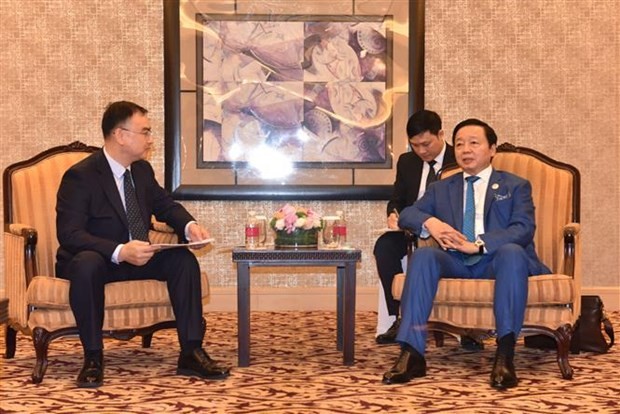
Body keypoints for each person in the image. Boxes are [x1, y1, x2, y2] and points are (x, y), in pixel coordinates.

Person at [56, 101, 231, 388]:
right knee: (87, 264)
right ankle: (93, 357)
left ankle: (191, 352)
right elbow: (70, 233)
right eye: (145, 131)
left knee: (183, 260)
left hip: (139, 256)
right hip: (100, 260)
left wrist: (190, 227)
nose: (150, 139)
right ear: (120, 135)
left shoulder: (141, 171)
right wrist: (120, 251)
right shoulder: (81, 176)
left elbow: (166, 206)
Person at [381, 118, 551, 389]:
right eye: (459, 144)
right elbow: (408, 214)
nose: (465, 150)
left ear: (492, 149)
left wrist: (479, 244)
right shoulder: (441, 188)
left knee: (512, 252)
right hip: (456, 261)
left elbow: (523, 228)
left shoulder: (515, 186)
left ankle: (505, 353)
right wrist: (431, 223)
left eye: (474, 143)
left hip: (496, 260)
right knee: (424, 256)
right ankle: (412, 353)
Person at [373, 110, 455, 344]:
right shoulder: (407, 162)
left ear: (441, 134)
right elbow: (397, 199)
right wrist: (393, 214)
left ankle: (462, 326)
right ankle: (399, 316)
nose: (421, 151)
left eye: (426, 144)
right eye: (415, 145)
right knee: (384, 247)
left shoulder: (457, 159)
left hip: (445, 232)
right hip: (413, 230)